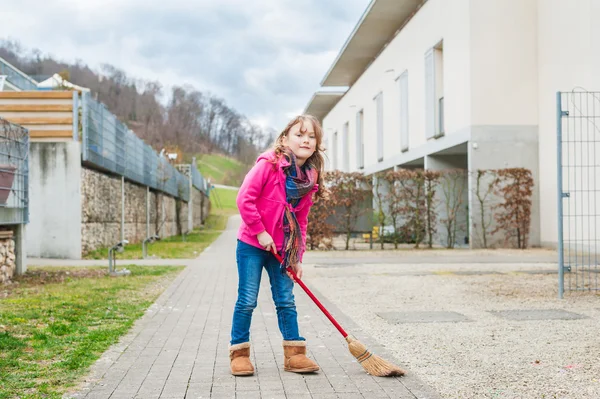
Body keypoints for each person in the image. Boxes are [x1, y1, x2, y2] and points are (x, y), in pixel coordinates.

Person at [229, 114, 326, 376]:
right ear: (285, 139)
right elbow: (244, 199)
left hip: (282, 249)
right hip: (252, 243)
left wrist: (298, 256)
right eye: (299, 134)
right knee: (247, 299)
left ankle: (294, 355)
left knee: (286, 299)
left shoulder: (309, 178)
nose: (305, 139)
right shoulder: (268, 165)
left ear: (316, 144)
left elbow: (301, 221)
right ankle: (239, 354)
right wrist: (260, 232)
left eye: (311, 136)